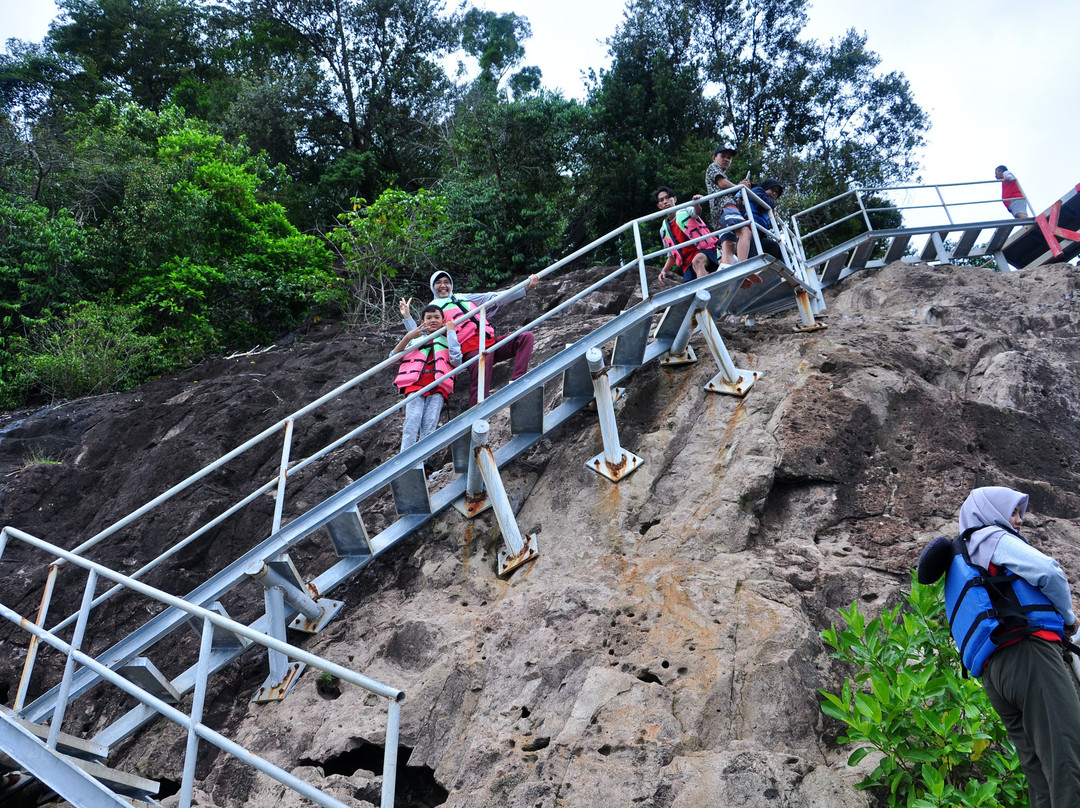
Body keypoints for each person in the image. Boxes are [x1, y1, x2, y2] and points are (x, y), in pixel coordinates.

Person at [917, 486, 1080, 808]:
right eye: (1013, 512)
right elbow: (1049, 571)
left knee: (1040, 776)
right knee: (1068, 757)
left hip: (996, 675)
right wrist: (1069, 618)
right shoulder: (991, 536)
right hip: (1030, 657)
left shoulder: (961, 556)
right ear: (990, 511)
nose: (1018, 521)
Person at [401, 270, 537, 407]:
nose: (443, 285)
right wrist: (407, 317)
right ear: (432, 287)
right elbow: (421, 335)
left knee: (525, 337)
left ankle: (518, 381)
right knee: (482, 372)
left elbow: (495, 298)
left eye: (446, 282)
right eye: (438, 283)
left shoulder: (463, 297)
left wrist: (525, 287)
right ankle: (476, 415)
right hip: (470, 349)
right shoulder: (434, 310)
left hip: (491, 341)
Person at [391, 304, 461, 455]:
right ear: (423, 321)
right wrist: (408, 334)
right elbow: (392, 357)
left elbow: (457, 360)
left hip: (437, 387)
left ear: (443, 321)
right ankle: (405, 458)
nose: (433, 320)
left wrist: (451, 332)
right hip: (415, 385)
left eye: (437, 317)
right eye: (428, 318)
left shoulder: (448, 340)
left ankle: (423, 462)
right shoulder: (414, 340)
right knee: (413, 419)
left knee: (430, 424)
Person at [655, 186, 721, 285]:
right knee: (688, 288)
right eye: (661, 200)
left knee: (697, 261)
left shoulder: (686, 209)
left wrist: (696, 203)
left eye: (668, 197)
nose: (665, 201)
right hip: (688, 264)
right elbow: (671, 255)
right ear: (659, 205)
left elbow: (697, 212)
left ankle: (705, 292)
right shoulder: (663, 230)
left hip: (705, 252)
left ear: (675, 199)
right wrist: (664, 270)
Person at [704, 145, 752, 265]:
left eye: (729, 158)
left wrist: (740, 192)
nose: (726, 159)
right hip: (725, 207)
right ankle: (743, 268)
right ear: (714, 158)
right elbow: (722, 183)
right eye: (723, 156)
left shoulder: (721, 173)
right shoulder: (713, 167)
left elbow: (724, 188)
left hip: (719, 214)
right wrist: (740, 186)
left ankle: (729, 273)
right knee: (745, 232)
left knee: (729, 245)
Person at [746, 178, 785, 261]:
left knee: (775, 247)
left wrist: (773, 218)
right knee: (754, 254)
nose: (774, 193)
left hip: (759, 234)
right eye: (772, 189)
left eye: (777, 193)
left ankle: (783, 272)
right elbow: (760, 201)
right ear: (766, 187)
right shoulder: (757, 190)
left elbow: (768, 225)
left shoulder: (768, 208)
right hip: (748, 232)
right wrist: (773, 207)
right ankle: (753, 271)